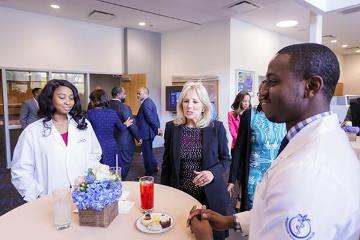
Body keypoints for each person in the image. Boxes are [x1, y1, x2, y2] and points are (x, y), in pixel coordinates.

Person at [188, 43, 360, 239]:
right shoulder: (314, 138)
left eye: (272, 81)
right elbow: (277, 212)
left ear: (311, 86)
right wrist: (229, 221)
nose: (262, 91)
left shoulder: (307, 172)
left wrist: (205, 237)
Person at [11, 80, 102, 202]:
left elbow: (94, 153)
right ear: (50, 99)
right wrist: (36, 196)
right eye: (62, 97)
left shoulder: (83, 125)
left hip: (83, 194)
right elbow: (21, 170)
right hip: (49, 198)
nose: (68, 102)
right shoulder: (33, 131)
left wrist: (92, 178)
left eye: (71, 98)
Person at [161, 81, 230, 240]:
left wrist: (212, 173)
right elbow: (167, 164)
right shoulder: (172, 128)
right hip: (180, 194)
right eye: (186, 101)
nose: (189, 106)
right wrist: (164, 193)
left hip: (211, 195)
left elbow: (226, 159)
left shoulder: (216, 128)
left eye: (195, 101)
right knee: (180, 234)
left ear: (204, 106)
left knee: (212, 236)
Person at [227, 83, 286, 211]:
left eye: (267, 95)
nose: (263, 98)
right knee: (253, 219)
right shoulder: (249, 115)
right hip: (254, 177)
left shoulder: (284, 116)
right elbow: (238, 149)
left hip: (278, 176)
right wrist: (231, 179)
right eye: (260, 94)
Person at [87, 89, 133, 168]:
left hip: (96, 146)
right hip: (111, 145)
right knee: (112, 170)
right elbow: (121, 128)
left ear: (93, 101)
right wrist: (125, 124)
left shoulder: (89, 114)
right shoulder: (112, 112)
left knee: (98, 171)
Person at [109, 86, 141, 180]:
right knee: (124, 165)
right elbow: (131, 123)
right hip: (124, 142)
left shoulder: (106, 105)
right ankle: (121, 183)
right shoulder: (124, 107)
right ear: (118, 95)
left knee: (113, 165)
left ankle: (115, 183)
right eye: (124, 93)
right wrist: (139, 137)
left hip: (110, 141)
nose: (125, 95)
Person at [136, 87, 162, 176]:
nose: (137, 95)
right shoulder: (149, 101)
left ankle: (148, 174)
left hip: (146, 133)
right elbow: (155, 117)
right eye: (137, 93)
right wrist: (157, 128)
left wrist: (157, 129)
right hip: (149, 132)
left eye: (139, 93)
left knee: (146, 154)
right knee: (149, 151)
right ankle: (154, 166)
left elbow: (150, 119)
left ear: (145, 93)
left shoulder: (146, 104)